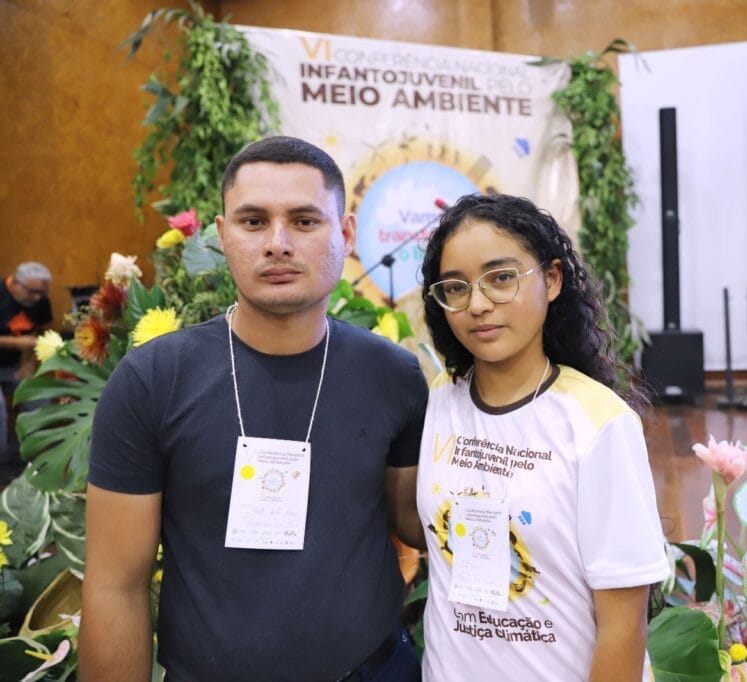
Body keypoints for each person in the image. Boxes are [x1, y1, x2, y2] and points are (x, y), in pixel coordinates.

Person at [80, 136, 427, 681]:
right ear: (221, 237)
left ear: (346, 232)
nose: (279, 243)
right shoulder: (154, 380)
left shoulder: (394, 376)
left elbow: (419, 523)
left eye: (306, 221)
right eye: (254, 221)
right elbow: (114, 585)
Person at [416, 194, 668, 681]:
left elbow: (624, 621)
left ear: (552, 279)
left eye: (502, 278)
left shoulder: (598, 422)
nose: (479, 304)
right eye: (456, 288)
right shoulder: (438, 401)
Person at [0, 262, 53, 475]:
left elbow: (42, 333)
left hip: (16, 366)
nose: (38, 298)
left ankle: (29, 460)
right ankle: (2, 464)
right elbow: (26, 341)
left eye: (42, 292)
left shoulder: (39, 301)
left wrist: (29, 364)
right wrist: (17, 344)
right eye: (33, 292)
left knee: (40, 396)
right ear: (15, 283)